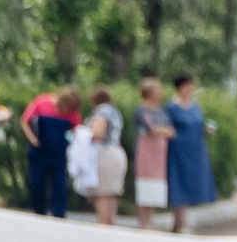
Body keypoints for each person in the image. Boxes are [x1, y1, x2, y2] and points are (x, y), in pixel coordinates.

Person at [165, 74, 216, 233]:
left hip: (196, 150)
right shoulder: (172, 108)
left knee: (192, 182)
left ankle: (177, 224)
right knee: (179, 182)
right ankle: (182, 223)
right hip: (179, 151)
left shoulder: (195, 107)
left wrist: (207, 130)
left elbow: (198, 125)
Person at [25, 89, 75, 218]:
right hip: (39, 150)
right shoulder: (41, 102)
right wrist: (32, 138)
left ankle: (59, 215)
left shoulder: (72, 111)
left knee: (60, 185)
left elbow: (76, 128)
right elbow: (25, 120)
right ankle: (39, 212)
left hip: (59, 154)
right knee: (37, 183)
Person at [133, 78, 175, 231]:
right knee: (145, 185)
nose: (161, 93)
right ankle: (143, 223)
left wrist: (159, 130)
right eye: (158, 90)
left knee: (155, 187)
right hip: (146, 155)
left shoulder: (161, 112)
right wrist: (160, 131)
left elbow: (171, 131)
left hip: (159, 156)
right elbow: (150, 130)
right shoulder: (141, 110)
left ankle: (150, 221)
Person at [87, 87, 128, 226]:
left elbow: (98, 132)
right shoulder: (115, 112)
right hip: (117, 151)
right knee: (111, 193)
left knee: (102, 193)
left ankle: (103, 223)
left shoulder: (102, 111)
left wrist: (82, 136)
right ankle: (110, 223)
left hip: (105, 153)